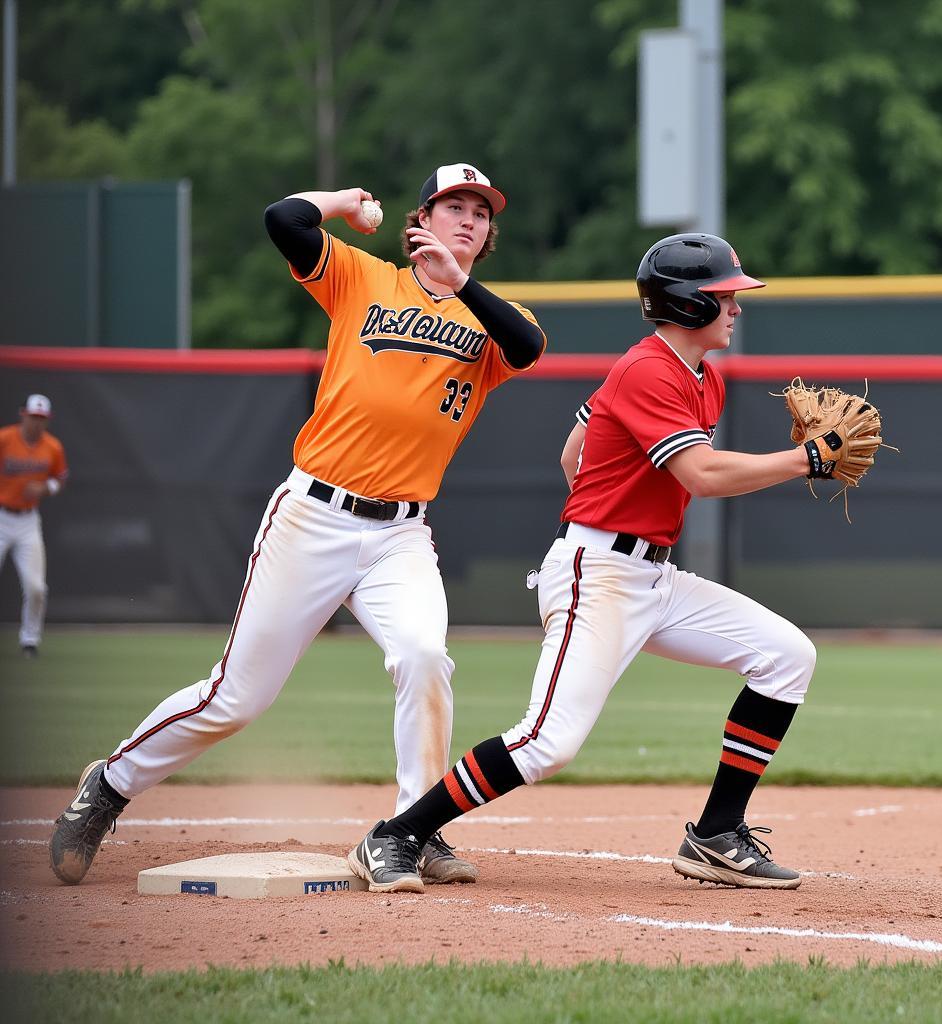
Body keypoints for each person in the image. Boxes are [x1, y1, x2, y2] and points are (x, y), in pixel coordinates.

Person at [48, 162, 546, 886]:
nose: (469, 218)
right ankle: (110, 785)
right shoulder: (366, 278)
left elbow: (528, 352)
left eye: (481, 210)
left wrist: (461, 283)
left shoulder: (501, 318)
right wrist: (343, 202)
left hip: (400, 534)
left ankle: (414, 829)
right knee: (236, 697)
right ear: (424, 219)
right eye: (453, 206)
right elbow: (284, 221)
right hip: (313, 515)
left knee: (423, 657)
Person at [348, 233, 822, 895]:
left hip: (650, 576)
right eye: (724, 296)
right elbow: (703, 475)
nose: (737, 306)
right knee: (547, 742)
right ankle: (396, 834)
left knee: (787, 656)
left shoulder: (701, 378)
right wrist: (805, 462)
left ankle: (716, 834)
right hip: (597, 574)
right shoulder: (647, 369)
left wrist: (612, 495)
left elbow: (576, 451)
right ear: (687, 305)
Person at [0, 394, 68, 658]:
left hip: (28, 521)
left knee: (36, 587)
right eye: (33, 417)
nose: (37, 423)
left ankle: (30, 640)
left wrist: (46, 487)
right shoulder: (5, 439)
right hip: (2, 515)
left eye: (42, 419)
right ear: (23, 414)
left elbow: (60, 478)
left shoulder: (52, 447)